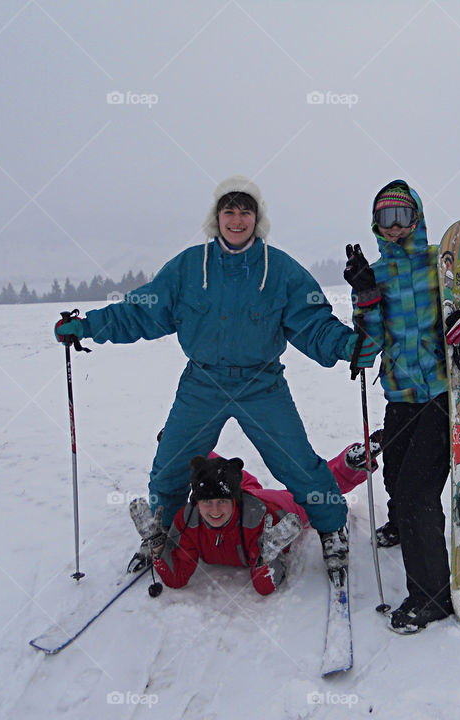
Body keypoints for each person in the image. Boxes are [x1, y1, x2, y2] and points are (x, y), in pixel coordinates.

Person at [53, 176, 379, 581]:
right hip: (202, 384)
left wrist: (347, 345)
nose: (237, 219)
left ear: (256, 219)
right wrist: (88, 326)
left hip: (262, 384)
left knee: (297, 465)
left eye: (246, 211)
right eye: (229, 210)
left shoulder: (280, 270)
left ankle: (332, 529)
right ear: (216, 217)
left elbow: (313, 322)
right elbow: (140, 310)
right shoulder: (189, 267)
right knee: (169, 466)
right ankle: (164, 530)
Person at [343, 179, 460, 633]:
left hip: (442, 396)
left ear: (415, 217)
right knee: (395, 476)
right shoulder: (376, 274)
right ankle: (401, 528)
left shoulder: (444, 262)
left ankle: (432, 595)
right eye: (385, 218)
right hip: (399, 394)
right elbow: (371, 339)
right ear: (376, 225)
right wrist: (364, 296)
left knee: (417, 492)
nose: (394, 227)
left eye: (401, 216)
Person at [128, 434, 384, 594]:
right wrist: (157, 544)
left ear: (233, 500)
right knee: (216, 474)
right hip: (239, 490)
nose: (214, 511)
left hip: (269, 505)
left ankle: (350, 464)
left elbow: (265, 587)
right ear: (196, 503)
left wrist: (267, 556)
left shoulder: (262, 523)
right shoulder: (189, 520)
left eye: (221, 503)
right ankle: (188, 448)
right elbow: (176, 577)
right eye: (207, 503)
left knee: (312, 497)